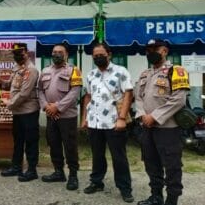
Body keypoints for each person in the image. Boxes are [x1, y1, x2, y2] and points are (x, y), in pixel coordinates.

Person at [135, 39, 189, 205]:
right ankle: (156, 196)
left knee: (172, 166)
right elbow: (138, 97)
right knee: (151, 164)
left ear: (164, 51)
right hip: (147, 128)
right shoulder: (145, 74)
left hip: (168, 129)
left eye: (155, 49)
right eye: (148, 49)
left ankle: (171, 200)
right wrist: (142, 114)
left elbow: (179, 100)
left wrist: (155, 117)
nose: (150, 52)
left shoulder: (177, 71)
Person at [81, 43, 134, 203]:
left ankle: (125, 188)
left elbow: (128, 95)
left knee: (119, 157)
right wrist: (84, 118)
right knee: (97, 155)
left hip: (114, 123)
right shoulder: (91, 75)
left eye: (101, 54)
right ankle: (97, 182)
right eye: (95, 55)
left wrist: (122, 118)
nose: (98, 57)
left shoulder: (120, 72)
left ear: (109, 54)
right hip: (95, 123)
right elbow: (88, 97)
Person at [38, 43, 82, 190]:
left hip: (67, 116)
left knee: (70, 146)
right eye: (54, 52)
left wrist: (57, 107)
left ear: (66, 55)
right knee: (54, 144)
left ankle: (73, 175)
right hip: (51, 115)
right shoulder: (44, 71)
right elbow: (39, 91)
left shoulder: (74, 70)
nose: (56, 54)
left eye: (60, 52)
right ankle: (58, 172)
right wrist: (46, 107)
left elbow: (75, 92)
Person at [0, 43, 40, 182]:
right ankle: (16, 167)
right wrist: (0, 82)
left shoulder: (31, 70)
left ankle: (32, 170)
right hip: (18, 112)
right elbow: (11, 85)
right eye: (15, 53)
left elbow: (24, 94)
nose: (17, 55)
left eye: (20, 53)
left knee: (30, 141)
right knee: (18, 141)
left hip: (28, 111)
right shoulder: (17, 68)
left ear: (26, 53)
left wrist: (9, 104)